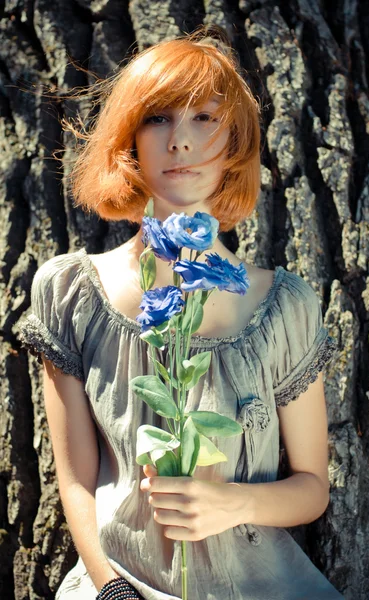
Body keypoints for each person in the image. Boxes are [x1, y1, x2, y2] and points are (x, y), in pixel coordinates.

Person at [18, 27, 343, 600]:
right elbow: (73, 481)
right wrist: (110, 591)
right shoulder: (71, 290)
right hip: (118, 584)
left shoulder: (283, 306)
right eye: (159, 118)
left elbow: (313, 488)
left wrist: (233, 503)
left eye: (205, 118)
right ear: (128, 140)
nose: (181, 143)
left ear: (236, 144)